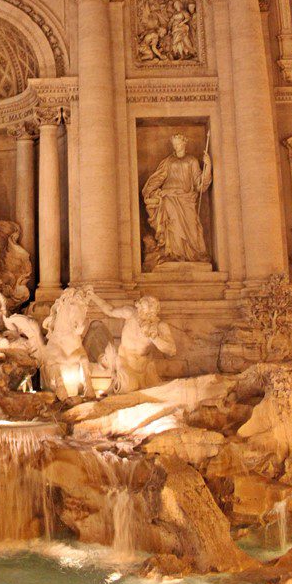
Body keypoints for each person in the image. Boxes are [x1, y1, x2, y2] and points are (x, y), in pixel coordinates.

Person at [86, 288, 176, 394]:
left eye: (146, 313)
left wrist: (154, 338)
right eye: (140, 310)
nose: (141, 314)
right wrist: (93, 297)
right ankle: (113, 375)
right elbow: (109, 310)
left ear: (153, 313)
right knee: (129, 386)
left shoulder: (159, 326)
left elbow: (172, 350)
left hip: (143, 370)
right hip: (124, 364)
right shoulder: (130, 313)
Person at [142, 133, 211, 266]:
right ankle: (174, 253)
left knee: (192, 225)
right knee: (172, 225)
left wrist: (208, 167)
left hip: (187, 199)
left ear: (184, 144)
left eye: (179, 143)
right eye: (174, 144)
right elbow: (159, 177)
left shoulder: (192, 161)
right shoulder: (168, 161)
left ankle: (193, 254)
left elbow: (200, 185)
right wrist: (149, 190)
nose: (176, 146)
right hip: (169, 197)